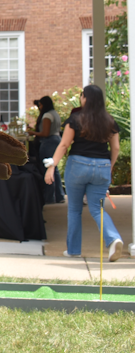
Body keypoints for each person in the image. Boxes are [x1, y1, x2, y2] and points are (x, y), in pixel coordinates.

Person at [44, 84, 125, 261]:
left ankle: (73, 250)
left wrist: (52, 166)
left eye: (82, 95)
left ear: (85, 99)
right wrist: (108, 167)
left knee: (74, 210)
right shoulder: (110, 121)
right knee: (97, 208)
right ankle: (113, 239)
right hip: (102, 166)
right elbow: (116, 148)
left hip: (78, 165)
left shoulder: (76, 119)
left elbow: (64, 144)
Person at [29, 95, 64, 204]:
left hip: (48, 142)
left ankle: (49, 197)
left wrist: (32, 133)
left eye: (40, 105)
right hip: (57, 139)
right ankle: (59, 195)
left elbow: (45, 133)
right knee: (54, 168)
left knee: (47, 168)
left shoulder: (47, 115)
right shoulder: (55, 113)